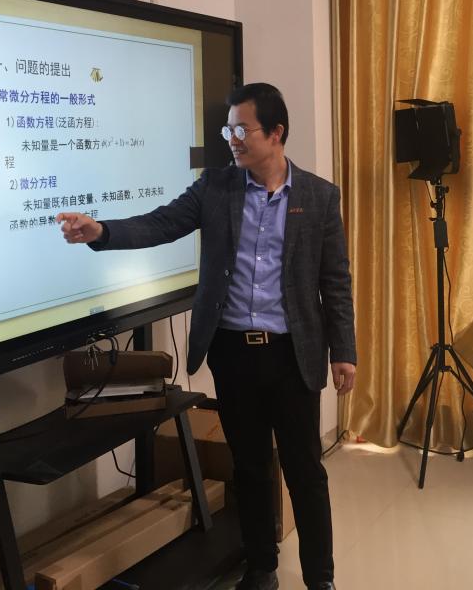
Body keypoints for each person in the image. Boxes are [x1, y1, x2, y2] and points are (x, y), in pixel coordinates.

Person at [57, 82, 356, 590]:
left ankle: (320, 578)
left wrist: (343, 351)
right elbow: (161, 223)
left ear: (276, 133)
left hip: (292, 355)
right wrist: (102, 231)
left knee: (305, 470)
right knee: (251, 467)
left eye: (243, 130)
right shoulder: (215, 188)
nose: (233, 140)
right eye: (228, 130)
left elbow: (335, 280)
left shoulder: (319, 197)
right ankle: (261, 568)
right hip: (234, 353)